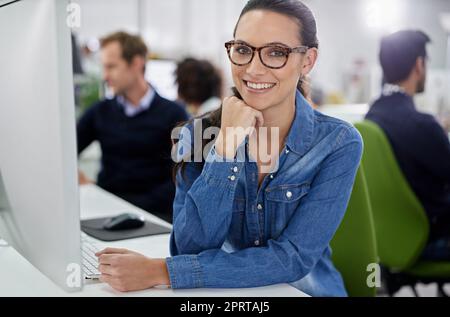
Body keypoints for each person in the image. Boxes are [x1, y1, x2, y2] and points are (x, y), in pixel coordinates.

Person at [95, 0, 362, 296]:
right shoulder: (197, 134)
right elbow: (190, 247)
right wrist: (225, 150)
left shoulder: (338, 143)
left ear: (307, 61)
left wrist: (162, 271)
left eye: (276, 53)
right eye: (243, 50)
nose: (254, 68)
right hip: (227, 294)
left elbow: (293, 257)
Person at [77, 31, 189, 223]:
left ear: (136, 63)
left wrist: (131, 205)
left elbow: (185, 176)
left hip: (155, 217)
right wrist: (78, 179)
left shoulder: (174, 114)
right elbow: (64, 151)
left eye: (111, 67)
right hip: (106, 213)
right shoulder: (100, 112)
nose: (105, 76)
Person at [365, 30, 450, 260]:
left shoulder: (372, 116)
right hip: (430, 237)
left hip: (390, 238)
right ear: (419, 65)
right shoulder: (422, 126)